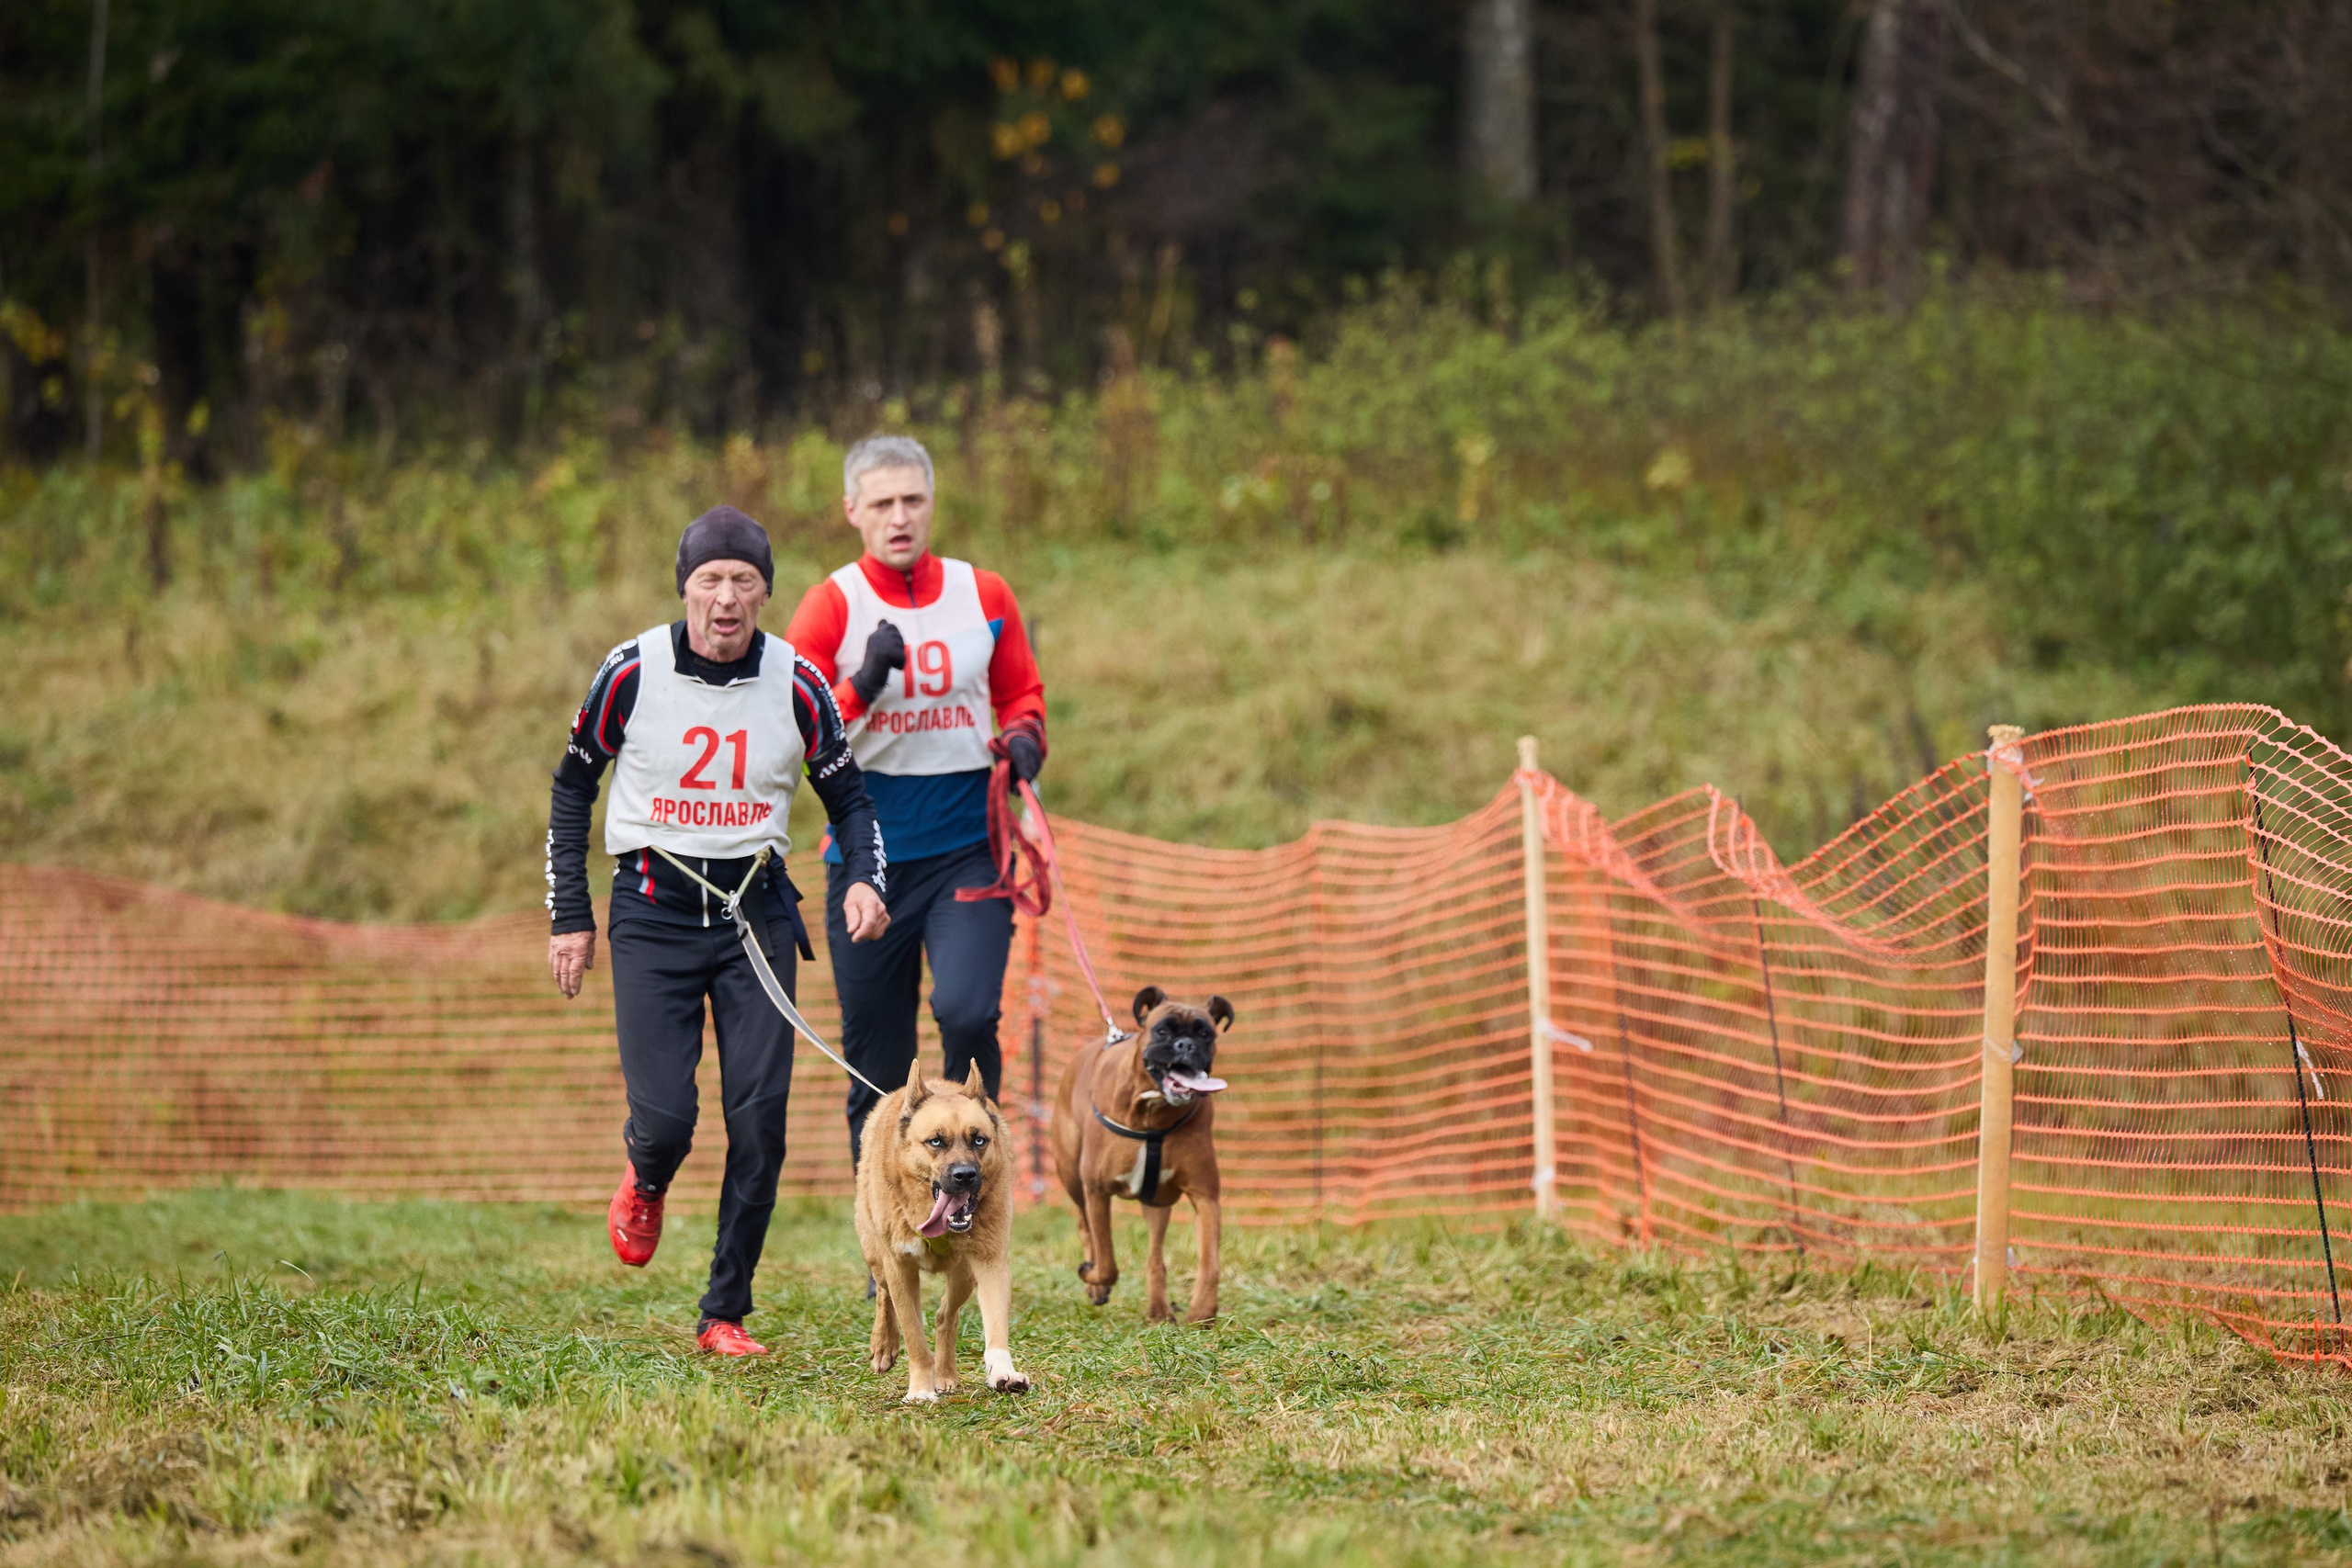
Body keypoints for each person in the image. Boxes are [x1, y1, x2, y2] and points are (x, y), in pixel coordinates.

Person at [545, 505, 891, 1358]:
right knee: (666, 1118)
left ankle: (724, 1311)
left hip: (756, 915)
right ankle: (647, 1174)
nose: (727, 598)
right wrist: (571, 917)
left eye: (745, 581)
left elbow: (849, 799)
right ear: (686, 587)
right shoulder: (631, 670)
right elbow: (571, 787)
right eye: (711, 580)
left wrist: (862, 882)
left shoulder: (801, 681)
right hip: (653, 914)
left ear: (765, 593)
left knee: (761, 1120)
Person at [784, 435, 1046, 1170]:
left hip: (970, 842)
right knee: (878, 1059)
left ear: (932, 502)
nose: (899, 517)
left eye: (913, 500)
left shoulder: (983, 592)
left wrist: (1026, 738)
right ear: (852, 511)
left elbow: (1022, 693)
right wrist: (862, 682)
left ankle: (977, 1194)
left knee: (966, 1011)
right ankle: (886, 1241)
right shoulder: (830, 604)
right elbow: (793, 732)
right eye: (882, 503)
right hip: (870, 855)